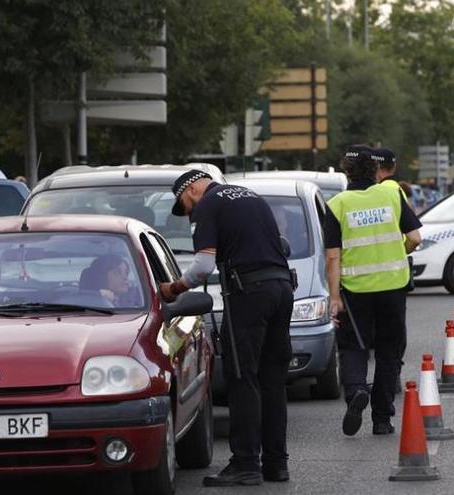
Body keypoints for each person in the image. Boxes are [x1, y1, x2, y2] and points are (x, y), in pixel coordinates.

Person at [160, 170, 294, 486]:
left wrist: (175, 288)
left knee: (242, 377)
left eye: (185, 204)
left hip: (249, 294)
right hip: (282, 288)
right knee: (273, 379)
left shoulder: (208, 205)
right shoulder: (250, 196)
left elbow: (204, 266)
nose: (189, 212)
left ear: (191, 189)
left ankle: (246, 463)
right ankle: (276, 464)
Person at [325, 145, 422, 436]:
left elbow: (332, 256)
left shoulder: (337, 205)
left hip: (355, 291)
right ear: (375, 169)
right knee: (389, 351)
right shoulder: (392, 194)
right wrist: (396, 253)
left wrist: (334, 297)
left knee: (354, 346)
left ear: (346, 171)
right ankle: (382, 418)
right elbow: (415, 237)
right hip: (393, 287)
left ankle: (356, 391)